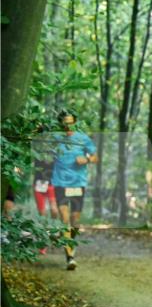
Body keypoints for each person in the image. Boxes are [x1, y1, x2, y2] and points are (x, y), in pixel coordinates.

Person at [50, 111, 97, 270]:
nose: (68, 126)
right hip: (60, 183)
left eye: (71, 122)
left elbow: (95, 157)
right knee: (65, 220)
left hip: (78, 183)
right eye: (65, 123)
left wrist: (87, 159)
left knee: (75, 221)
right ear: (61, 124)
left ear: (75, 122)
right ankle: (70, 257)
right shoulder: (55, 137)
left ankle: (69, 242)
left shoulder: (83, 138)